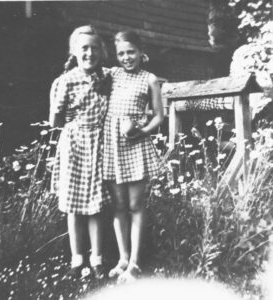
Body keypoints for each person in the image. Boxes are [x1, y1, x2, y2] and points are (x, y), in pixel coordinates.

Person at [49, 25, 111, 280]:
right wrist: (59, 101)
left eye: (95, 48)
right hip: (75, 143)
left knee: (96, 203)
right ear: (74, 52)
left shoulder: (108, 76)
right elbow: (54, 120)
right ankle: (77, 260)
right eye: (84, 48)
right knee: (74, 205)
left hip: (99, 143)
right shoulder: (66, 80)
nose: (89, 53)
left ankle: (96, 258)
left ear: (102, 51)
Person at [103, 30, 164, 282]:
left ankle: (136, 263)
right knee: (118, 206)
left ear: (141, 52)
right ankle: (123, 258)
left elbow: (160, 116)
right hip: (112, 146)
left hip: (135, 144)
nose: (126, 58)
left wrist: (141, 132)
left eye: (131, 52)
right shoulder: (112, 74)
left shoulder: (149, 79)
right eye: (121, 54)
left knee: (136, 205)